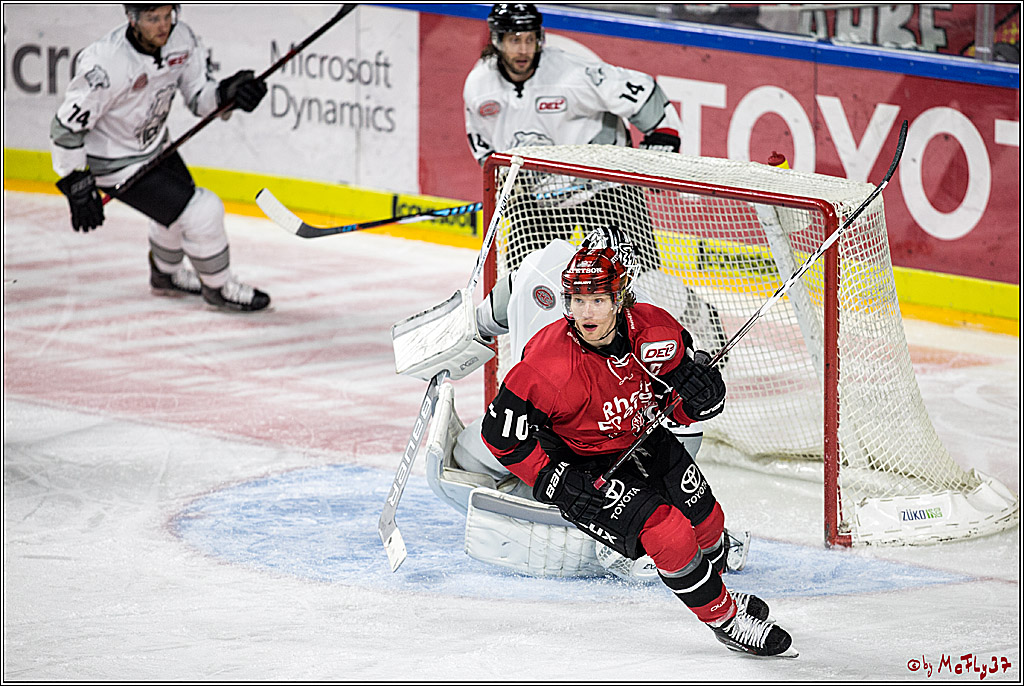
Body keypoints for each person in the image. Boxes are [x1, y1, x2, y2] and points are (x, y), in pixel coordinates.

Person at [479, 230, 795, 657]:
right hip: (582, 466)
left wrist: (703, 400)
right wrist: (552, 480)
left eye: (597, 299)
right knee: (668, 533)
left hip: (645, 438)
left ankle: (718, 592)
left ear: (620, 298)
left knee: (709, 524)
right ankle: (725, 618)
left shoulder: (657, 330)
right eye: (576, 300)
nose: (585, 312)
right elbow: (499, 436)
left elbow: (678, 405)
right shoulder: (546, 365)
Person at [49, 3, 271, 312]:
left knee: (175, 213)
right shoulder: (106, 62)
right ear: (132, 18)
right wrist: (76, 182)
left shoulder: (181, 39)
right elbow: (66, 128)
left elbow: (199, 96)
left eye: (168, 15)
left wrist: (228, 94)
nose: (163, 26)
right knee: (202, 211)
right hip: (114, 164)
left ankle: (166, 275)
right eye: (153, 18)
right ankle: (219, 288)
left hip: (155, 148)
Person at [463, 3, 683, 273]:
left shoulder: (572, 73)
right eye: (514, 40)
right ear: (497, 41)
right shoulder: (479, 86)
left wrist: (658, 150)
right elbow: (483, 144)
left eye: (530, 39)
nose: (523, 50)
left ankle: (698, 313)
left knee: (641, 279)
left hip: (605, 191)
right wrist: (505, 179)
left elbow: (645, 92)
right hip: (538, 203)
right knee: (523, 283)